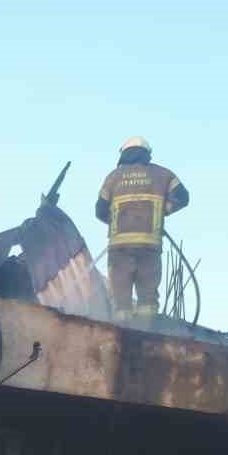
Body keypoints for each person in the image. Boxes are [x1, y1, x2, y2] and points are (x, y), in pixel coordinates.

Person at [95, 136, 189, 319]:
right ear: (147, 153)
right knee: (147, 298)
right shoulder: (163, 174)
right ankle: (146, 330)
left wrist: (118, 222)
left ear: (124, 154)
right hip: (149, 245)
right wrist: (163, 211)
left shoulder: (113, 178)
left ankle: (123, 330)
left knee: (121, 300)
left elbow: (100, 211)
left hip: (120, 248)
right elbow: (183, 197)